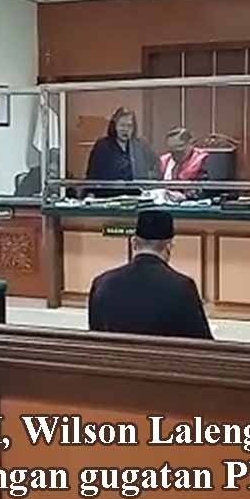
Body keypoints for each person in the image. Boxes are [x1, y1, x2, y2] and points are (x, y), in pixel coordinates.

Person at [88, 210, 212, 339]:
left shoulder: (102, 283)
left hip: (114, 352)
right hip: (162, 352)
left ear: (134, 243)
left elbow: (95, 336)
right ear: (169, 246)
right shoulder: (182, 287)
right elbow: (202, 342)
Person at [84, 107, 159, 197]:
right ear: (114, 126)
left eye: (129, 126)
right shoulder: (102, 146)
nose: (125, 129)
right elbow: (92, 175)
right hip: (108, 197)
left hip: (135, 197)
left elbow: (154, 168)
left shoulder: (140, 146)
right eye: (122, 125)